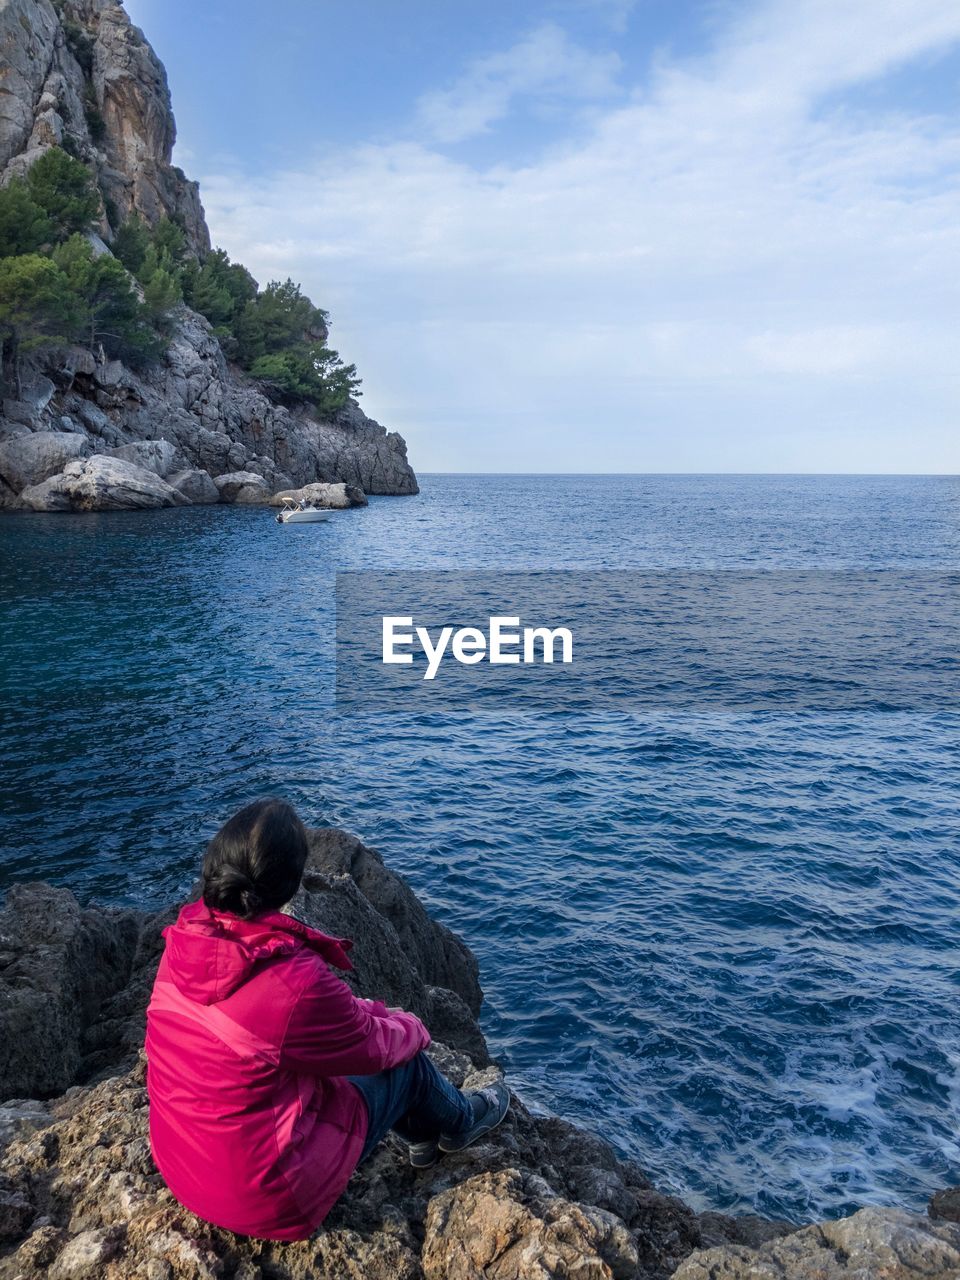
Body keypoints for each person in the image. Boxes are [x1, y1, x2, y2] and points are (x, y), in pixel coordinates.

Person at [144, 798, 509, 1242]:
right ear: (291, 884)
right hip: (269, 1198)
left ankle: (423, 1138)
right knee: (406, 1064)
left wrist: (372, 1017)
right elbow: (375, 1047)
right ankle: (461, 1122)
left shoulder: (184, 944)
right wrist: (411, 1024)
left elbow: (308, 1033)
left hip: (185, 1170)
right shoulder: (291, 984)